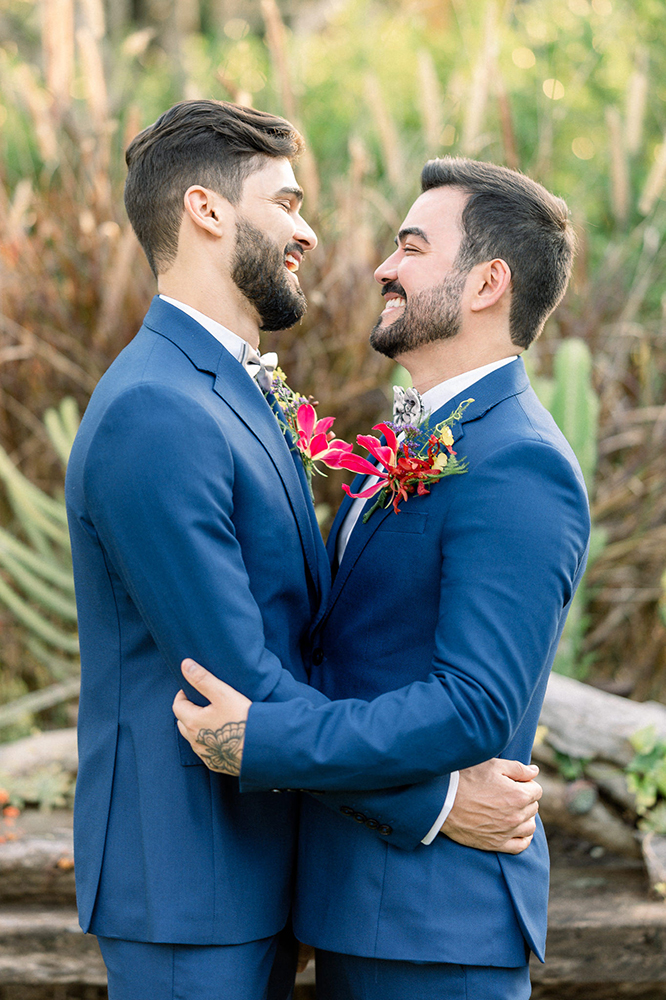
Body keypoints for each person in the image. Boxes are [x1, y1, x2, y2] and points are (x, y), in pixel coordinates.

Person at [65, 103, 540, 1000]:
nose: (309, 232)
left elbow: (306, 648)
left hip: (259, 870)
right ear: (207, 211)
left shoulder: (232, 391)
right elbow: (236, 685)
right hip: (188, 883)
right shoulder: (156, 411)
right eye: (285, 202)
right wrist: (438, 804)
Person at [173, 156, 591, 1000]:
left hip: (439, 930)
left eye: (411, 247)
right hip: (356, 906)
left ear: (486, 284)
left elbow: (476, 704)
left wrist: (269, 740)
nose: (382, 268)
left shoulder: (519, 464)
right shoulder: (412, 439)